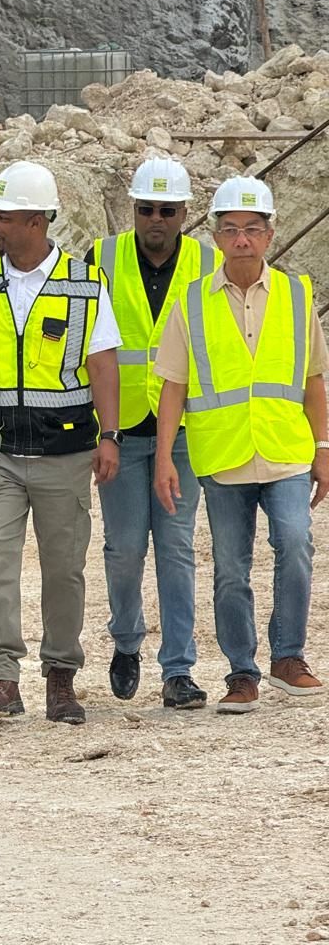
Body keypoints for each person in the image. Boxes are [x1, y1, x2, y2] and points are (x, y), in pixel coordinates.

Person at [0, 161, 121, 725]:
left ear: (36, 220)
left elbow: (102, 361)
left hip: (64, 452)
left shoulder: (85, 284)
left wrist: (109, 435)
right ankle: (1, 678)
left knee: (64, 567)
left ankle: (61, 678)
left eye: (2, 214)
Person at [154, 176, 327, 713]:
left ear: (270, 234)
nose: (242, 239)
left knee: (296, 546)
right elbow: (174, 386)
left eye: (253, 229)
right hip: (224, 455)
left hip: (286, 451)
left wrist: (323, 448)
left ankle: (288, 657)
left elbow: (314, 379)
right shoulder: (191, 303)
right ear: (216, 237)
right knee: (230, 566)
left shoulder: (298, 295)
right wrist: (163, 457)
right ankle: (241, 671)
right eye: (231, 230)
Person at [88, 157, 220, 709]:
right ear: (132, 210)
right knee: (122, 549)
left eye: (168, 210)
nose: (156, 220)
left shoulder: (207, 263)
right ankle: (126, 640)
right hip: (118, 428)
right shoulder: (102, 258)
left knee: (176, 548)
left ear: (185, 212)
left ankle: (179, 669)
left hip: (182, 427)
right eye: (146, 210)